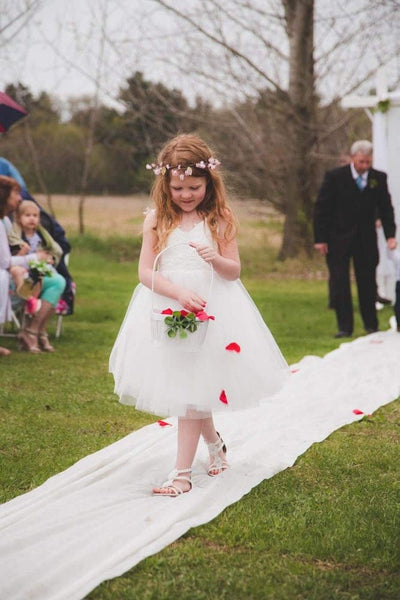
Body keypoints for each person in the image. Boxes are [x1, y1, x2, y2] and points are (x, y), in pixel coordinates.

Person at [109, 134, 289, 496]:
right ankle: (214, 445)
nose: (186, 194)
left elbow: (233, 271)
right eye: (178, 187)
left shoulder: (219, 218)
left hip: (213, 307)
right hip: (168, 305)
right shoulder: (157, 220)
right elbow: (146, 272)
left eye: (194, 186)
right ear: (166, 184)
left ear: (209, 182)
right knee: (190, 385)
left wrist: (214, 258)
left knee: (193, 385)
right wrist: (176, 292)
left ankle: (181, 474)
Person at [313, 140, 397, 338]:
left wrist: (390, 235)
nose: (364, 166)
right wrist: (321, 238)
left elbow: (386, 209)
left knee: (367, 281)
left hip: (366, 239)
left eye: (368, 162)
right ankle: (345, 327)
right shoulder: (335, 177)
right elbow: (321, 209)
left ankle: (371, 325)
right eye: (361, 162)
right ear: (352, 158)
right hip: (338, 239)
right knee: (340, 281)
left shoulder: (378, 178)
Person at [9, 200, 66, 352]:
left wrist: (50, 259)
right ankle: (37, 332)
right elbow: (8, 259)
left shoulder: (42, 236)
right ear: (19, 217)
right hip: (19, 278)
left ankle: (33, 330)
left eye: (35, 215)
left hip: (39, 273)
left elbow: (55, 251)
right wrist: (25, 252)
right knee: (53, 283)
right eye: (27, 215)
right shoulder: (13, 235)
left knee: (59, 281)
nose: (32, 219)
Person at [0, 176, 49, 353]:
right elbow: (4, 261)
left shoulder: (3, 221)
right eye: (15, 194)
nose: (19, 198)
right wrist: (34, 258)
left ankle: (34, 330)